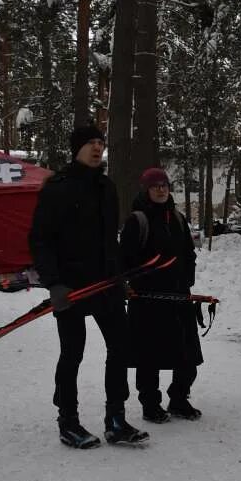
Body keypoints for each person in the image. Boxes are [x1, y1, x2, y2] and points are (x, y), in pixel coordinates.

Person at [28, 123, 149, 449]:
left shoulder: (107, 187)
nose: (97, 148)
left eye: (100, 142)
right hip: (71, 288)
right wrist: (54, 283)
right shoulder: (57, 187)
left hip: (105, 284)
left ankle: (115, 418)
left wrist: (119, 277)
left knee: (121, 347)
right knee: (72, 353)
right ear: (76, 148)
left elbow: (111, 241)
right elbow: (40, 240)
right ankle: (68, 420)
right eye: (91, 143)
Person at [119, 167, 203, 423]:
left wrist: (186, 278)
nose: (161, 189)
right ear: (146, 190)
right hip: (147, 300)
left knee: (187, 354)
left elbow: (188, 254)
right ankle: (150, 404)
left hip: (178, 297)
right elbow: (125, 260)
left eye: (164, 184)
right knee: (149, 356)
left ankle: (179, 398)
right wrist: (135, 284)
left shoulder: (177, 217)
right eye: (155, 185)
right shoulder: (138, 220)